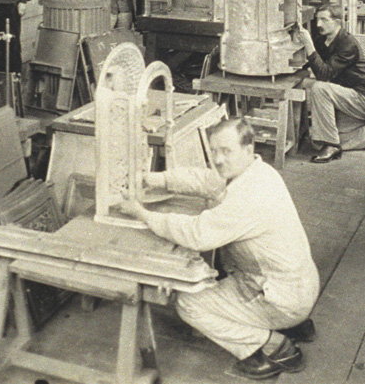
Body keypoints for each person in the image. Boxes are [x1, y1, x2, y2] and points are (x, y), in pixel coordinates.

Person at [119, 118, 319, 381]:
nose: (218, 159)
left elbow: (196, 234)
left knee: (189, 303)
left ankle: (270, 346)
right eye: (214, 151)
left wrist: (143, 215)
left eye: (226, 151)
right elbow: (204, 179)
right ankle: (292, 326)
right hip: (295, 285)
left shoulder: (249, 195)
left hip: (281, 299)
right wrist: (153, 179)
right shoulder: (258, 171)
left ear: (248, 149)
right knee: (220, 274)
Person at [295, 3, 365, 163]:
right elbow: (312, 65)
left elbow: (324, 75)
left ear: (337, 22)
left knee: (319, 88)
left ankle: (331, 145)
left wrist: (308, 45)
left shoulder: (347, 43)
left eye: (324, 19)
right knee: (316, 140)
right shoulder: (324, 41)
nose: (318, 24)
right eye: (317, 20)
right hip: (347, 100)